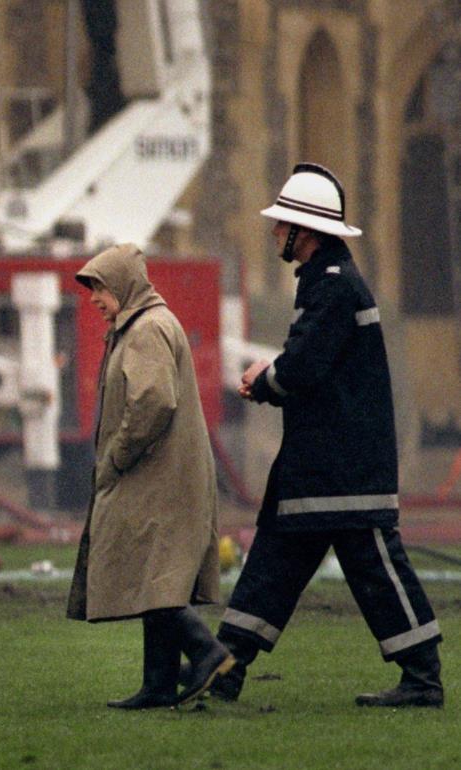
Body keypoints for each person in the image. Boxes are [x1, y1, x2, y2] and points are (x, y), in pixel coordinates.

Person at [205, 163, 444, 708]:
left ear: (303, 233)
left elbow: (304, 367)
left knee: (375, 569)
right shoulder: (330, 284)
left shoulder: (334, 288)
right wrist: (275, 374)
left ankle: (423, 679)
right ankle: (225, 666)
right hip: (322, 466)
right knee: (273, 561)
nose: (274, 234)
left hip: (344, 468)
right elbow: (314, 360)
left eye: (281, 225)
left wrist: (264, 380)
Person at [66, 242, 234, 709]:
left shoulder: (144, 331)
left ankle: (207, 653)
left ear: (123, 284)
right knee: (155, 574)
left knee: (152, 575)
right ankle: (159, 685)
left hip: (158, 474)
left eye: (100, 287)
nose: (95, 298)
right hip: (166, 473)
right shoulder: (146, 324)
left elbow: (154, 402)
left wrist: (116, 457)